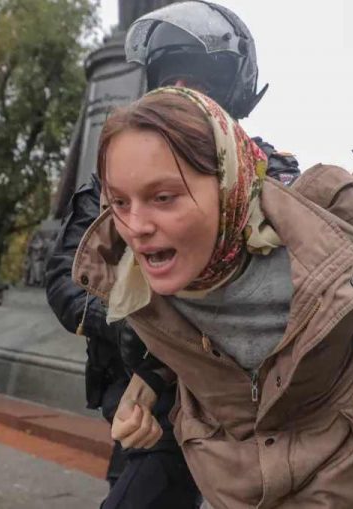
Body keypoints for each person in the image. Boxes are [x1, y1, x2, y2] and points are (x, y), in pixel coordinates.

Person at [72, 87, 353, 508]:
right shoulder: (130, 275)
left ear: (227, 182)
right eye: (119, 201)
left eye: (163, 197)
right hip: (236, 490)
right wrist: (151, 379)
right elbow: (198, 339)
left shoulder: (327, 232)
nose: (135, 225)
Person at [45, 3, 299, 507]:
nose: (185, 95)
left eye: (200, 83)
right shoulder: (114, 177)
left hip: (234, 404)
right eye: (173, 81)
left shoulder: (272, 174)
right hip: (142, 406)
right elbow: (66, 276)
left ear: (233, 90)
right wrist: (130, 326)